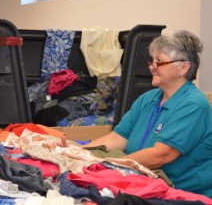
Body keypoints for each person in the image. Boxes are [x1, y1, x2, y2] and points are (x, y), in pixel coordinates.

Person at [82, 30, 212, 198]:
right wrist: (79, 152)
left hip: (182, 195)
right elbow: (117, 138)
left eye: (159, 62)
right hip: (145, 184)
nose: (152, 67)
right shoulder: (148, 99)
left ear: (183, 67)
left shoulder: (193, 105)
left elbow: (161, 155)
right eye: (152, 61)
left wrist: (109, 165)